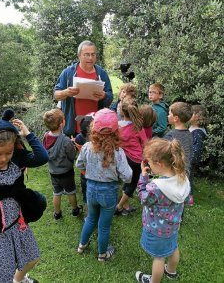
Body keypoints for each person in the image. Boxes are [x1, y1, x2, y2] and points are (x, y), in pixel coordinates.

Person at [0, 109, 49, 283]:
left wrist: (27, 135)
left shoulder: (16, 160)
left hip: (17, 225)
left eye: (7, 153)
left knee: (32, 258)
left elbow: (42, 157)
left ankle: (18, 280)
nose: (3, 159)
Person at [76, 108, 132, 261]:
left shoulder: (87, 147)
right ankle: (102, 254)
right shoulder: (118, 152)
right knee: (104, 226)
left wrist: (89, 172)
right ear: (116, 131)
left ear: (94, 128)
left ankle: (82, 245)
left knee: (91, 218)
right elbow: (127, 176)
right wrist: (120, 178)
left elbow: (79, 165)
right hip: (109, 192)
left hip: (91, 189)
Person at [136, 138, 190, 283]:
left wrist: (143, 177)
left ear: (159, 164)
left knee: (158, 257)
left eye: (151, 163)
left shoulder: (157, 187)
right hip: (173, 226)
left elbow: (143, 198)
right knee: (173, 247)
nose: (150, 165)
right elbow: (186, 199)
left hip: (157, 230)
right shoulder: (183, 178)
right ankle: (171, 271)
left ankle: (153, 281)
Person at [54, 40, 113, 136]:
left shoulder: (101, 73)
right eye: (87, 54)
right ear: (79, 56)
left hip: (96, 127)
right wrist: (66, 92)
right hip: (72, 128)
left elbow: (110, 97)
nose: (90, 58)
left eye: (93, 55)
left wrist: (104, 96)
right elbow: (56, 95)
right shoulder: (68, 73)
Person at [43, 108, 82, 220]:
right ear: (61, 124)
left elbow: (45, 151)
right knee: (71, 191)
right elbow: (71, 154)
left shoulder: (46, 136)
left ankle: (57, 213)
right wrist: (73, 146)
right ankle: (75, 210)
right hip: (66, 172)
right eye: (64, 119)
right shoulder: (65, 140)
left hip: (53, 172)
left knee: (57, 192)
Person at [115, 99, 148, 215]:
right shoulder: (137, 127)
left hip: (123, 158)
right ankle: (119, 207)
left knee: (126, 179)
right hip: (136, 160)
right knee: (132, 184)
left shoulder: (117, 126)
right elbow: (145, 144)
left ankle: (126, 206)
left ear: (122, 112)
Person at [164, 102, 193, 178]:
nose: (168, 116)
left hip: (173, 172)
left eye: (169, 114)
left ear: (176, 118)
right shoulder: (189, 134)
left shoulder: (170, 135)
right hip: (186, 172)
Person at [189, 105, 208, 204]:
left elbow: (197, 149)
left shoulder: (198, 132)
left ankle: (190, 197)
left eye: (190, 114)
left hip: (190, 159)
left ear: (197, 116)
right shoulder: (193, 128)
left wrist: (190, 160)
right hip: (187, 157)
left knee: (188, 177)